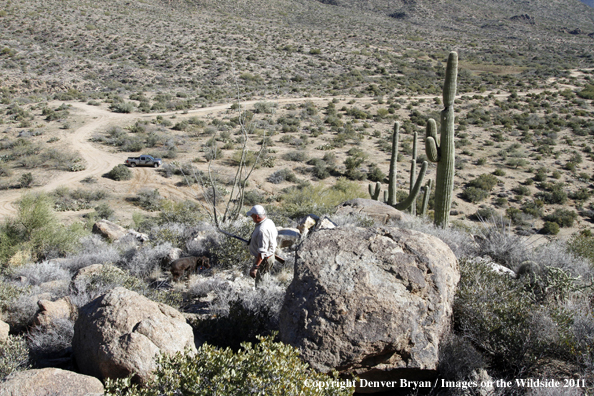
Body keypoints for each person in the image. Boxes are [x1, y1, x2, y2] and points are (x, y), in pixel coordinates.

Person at [246, 205, 277, 286]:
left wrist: (255, 267)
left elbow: (262, 252)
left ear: (256, 216)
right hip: (269, 257)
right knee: (264, 279)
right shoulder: (269, 221)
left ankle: (262, 297)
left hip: (262, 260)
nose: (251, 218)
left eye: (252, 216)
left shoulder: (262, 230)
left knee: (260, 283)